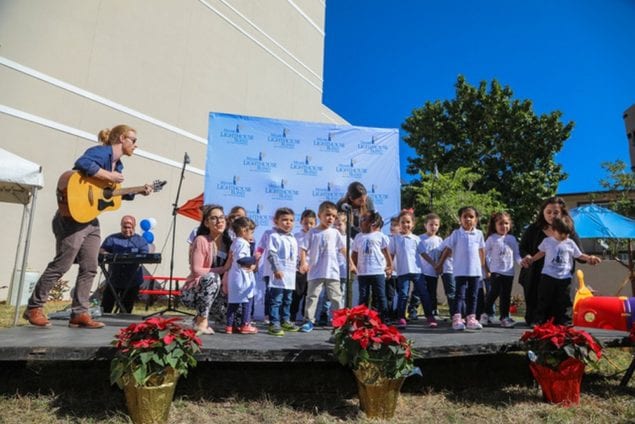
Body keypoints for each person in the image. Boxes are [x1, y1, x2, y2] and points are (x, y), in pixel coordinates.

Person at [23, 124, 153, 329]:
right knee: (62, 264)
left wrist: (137, 191)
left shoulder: (118, 166)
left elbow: (109, 195)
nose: (136, 145)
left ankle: (80, 313)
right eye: (133, 140)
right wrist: (109, 176)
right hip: (73, 217)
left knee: (90, 267)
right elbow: (82, 163)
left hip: (91, 219)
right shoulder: (102, 153)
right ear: (121, 138)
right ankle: (34, 307)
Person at [524, 216, 601, 324]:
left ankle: (566, 322)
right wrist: (532, 259)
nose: (564, 236)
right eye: (561, 234)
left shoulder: (570, 243)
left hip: (565, 278)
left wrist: (589, 258)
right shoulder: (547, 241)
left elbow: (579, 255)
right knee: (544, 299)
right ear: (554, 230)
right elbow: (541, 253)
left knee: (566, 301)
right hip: (548, 276)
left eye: (567, 234)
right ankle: (539, 320)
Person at [518, 196, 582, 326]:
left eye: (556, 212)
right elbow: (522, 247)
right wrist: (527, 257)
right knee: (538, 306)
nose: (552, 215)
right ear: (542, 212)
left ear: (562, 213)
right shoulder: (533, 229)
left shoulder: (569, 232)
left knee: (561, 307)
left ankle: (563, 323)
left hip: (561, 277)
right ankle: (536, 321)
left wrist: (589, 258)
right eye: (548, 212)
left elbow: (579, 253)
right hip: (536, 275)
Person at [299, 201, 353, 333]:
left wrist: (351, 263)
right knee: (312, 297)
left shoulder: (335, 233)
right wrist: (303, 263)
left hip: (332, 272)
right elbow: (303, 248)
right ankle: (309, 321)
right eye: (328, 215)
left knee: (336, 298)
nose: (331, 218)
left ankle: (339, 323)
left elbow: (343, 249)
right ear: (319, 215)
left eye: (334, 216)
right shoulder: (312, 232)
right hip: (315, 272)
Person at [181, 204, 230, 334]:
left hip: (220, 294)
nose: (219, 221)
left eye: (222, 218)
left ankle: (200, 317)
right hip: (195, 292)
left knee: (234, 320)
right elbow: (196, 270)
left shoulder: (229, 243)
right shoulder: (201, 240)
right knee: (211, 277)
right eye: (214, 218)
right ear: (206, 223)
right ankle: (201, 321)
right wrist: (223, 269)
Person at [437, 206, 486, 331]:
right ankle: (457, 318)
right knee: (460, 295)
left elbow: (481, 250)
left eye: (471, 217)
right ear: (460, 219)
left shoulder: (479, 234)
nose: (468, 219)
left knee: (474, 295)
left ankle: (471, 318)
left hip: (475, 271)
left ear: (476, 219)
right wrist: (440, 264)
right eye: (465, 217)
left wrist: (483, 266)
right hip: (460, 271)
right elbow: (448, 248)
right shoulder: (456, 233)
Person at [389, 209, 434, 329]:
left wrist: (434, 263)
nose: (405, 225)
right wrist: (389, 267)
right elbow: (391, 255)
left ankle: (430, 316)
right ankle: (401, 317)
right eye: (403, 222)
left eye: (408, 222)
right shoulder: (395, 239)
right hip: (402, 272)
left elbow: (423, 253)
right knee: (403, 295)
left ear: (413, 224)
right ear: (399, 224)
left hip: (417, 272)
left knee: (424, 294)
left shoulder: (416, 239)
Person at [99, 215, 149, 313]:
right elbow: (102, 249)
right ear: (121, 226)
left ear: (134, 227)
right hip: (114, 279)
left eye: (129, 227)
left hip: (132, 280)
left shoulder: (140, 240)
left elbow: (145, 254)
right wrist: (105, 253)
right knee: (105, 307)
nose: (127, 230)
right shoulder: (112, 238)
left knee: (126, 309)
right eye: (124, 227)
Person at [481, 212, 522, 328]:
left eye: (506, 223)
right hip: (496, 271)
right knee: (494, 292)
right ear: (495, 225)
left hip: (509, 272)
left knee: (506, 295)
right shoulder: (491, 239)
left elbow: (517, 255)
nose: (504, 226)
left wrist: (522, 262)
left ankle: (504, 317)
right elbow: (484, 254)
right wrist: (487, 269)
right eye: (500, 224)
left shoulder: (512, 239)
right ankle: (485, 313)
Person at [352, 211, 392, 321]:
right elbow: (354, 253)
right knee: (363, 296)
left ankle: (384, 317)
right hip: (363, 272)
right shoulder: (358, 237)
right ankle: (362, 318)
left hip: (378, 272)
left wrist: (390, 266)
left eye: (364, 219)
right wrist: (353, 266)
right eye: (360, 219)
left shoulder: (380, 236)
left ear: (372, 223)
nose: (360, 222)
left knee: (380, 295)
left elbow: (386, 252)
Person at [266, 207, 300, 336]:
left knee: (288, 299)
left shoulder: (292, 238)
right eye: (284, 220)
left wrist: (297, 266)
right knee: (277, 299)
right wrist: (277, 269)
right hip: (279, 274)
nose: (288, 223)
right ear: (276, 221)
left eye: (291, 220)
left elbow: (294, 256)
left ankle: (285, 320)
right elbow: (272, 254)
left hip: (290, 274)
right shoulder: (274, 236)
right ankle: (274, 322)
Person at [224, 216, 258, 334]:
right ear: (244, 231)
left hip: (234, 276)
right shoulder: (243, 243)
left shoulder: (235, 242)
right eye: (251, 232)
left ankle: (229, 326)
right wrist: (254, 259)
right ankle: (245, 324)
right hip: (242, 278)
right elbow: (242, 259)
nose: (252, 235)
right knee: (247, 301)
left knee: (233, 303)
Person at [290, 209, 316, 322]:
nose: (308, 226)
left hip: (313, 271)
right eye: (306, 223)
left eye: (311, 223)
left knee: (309, 296)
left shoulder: (317, 235)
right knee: (296, 295)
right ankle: (291, 317)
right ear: (301, 222)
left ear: (316, 223)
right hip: (299, 271)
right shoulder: (296, 236)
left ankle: (307, 318)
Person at [418, 213, 443, 320]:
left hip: (433, 272)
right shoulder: (419, 239)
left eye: (436, 225)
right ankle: (414, 310)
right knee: (420, 293)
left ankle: (433, 310)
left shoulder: (439, 240)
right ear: (425, 225)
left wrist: (439, 266)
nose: (433, 227)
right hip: (421, 272)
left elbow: (441, 254)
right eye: (431, 224)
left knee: (432, 292)